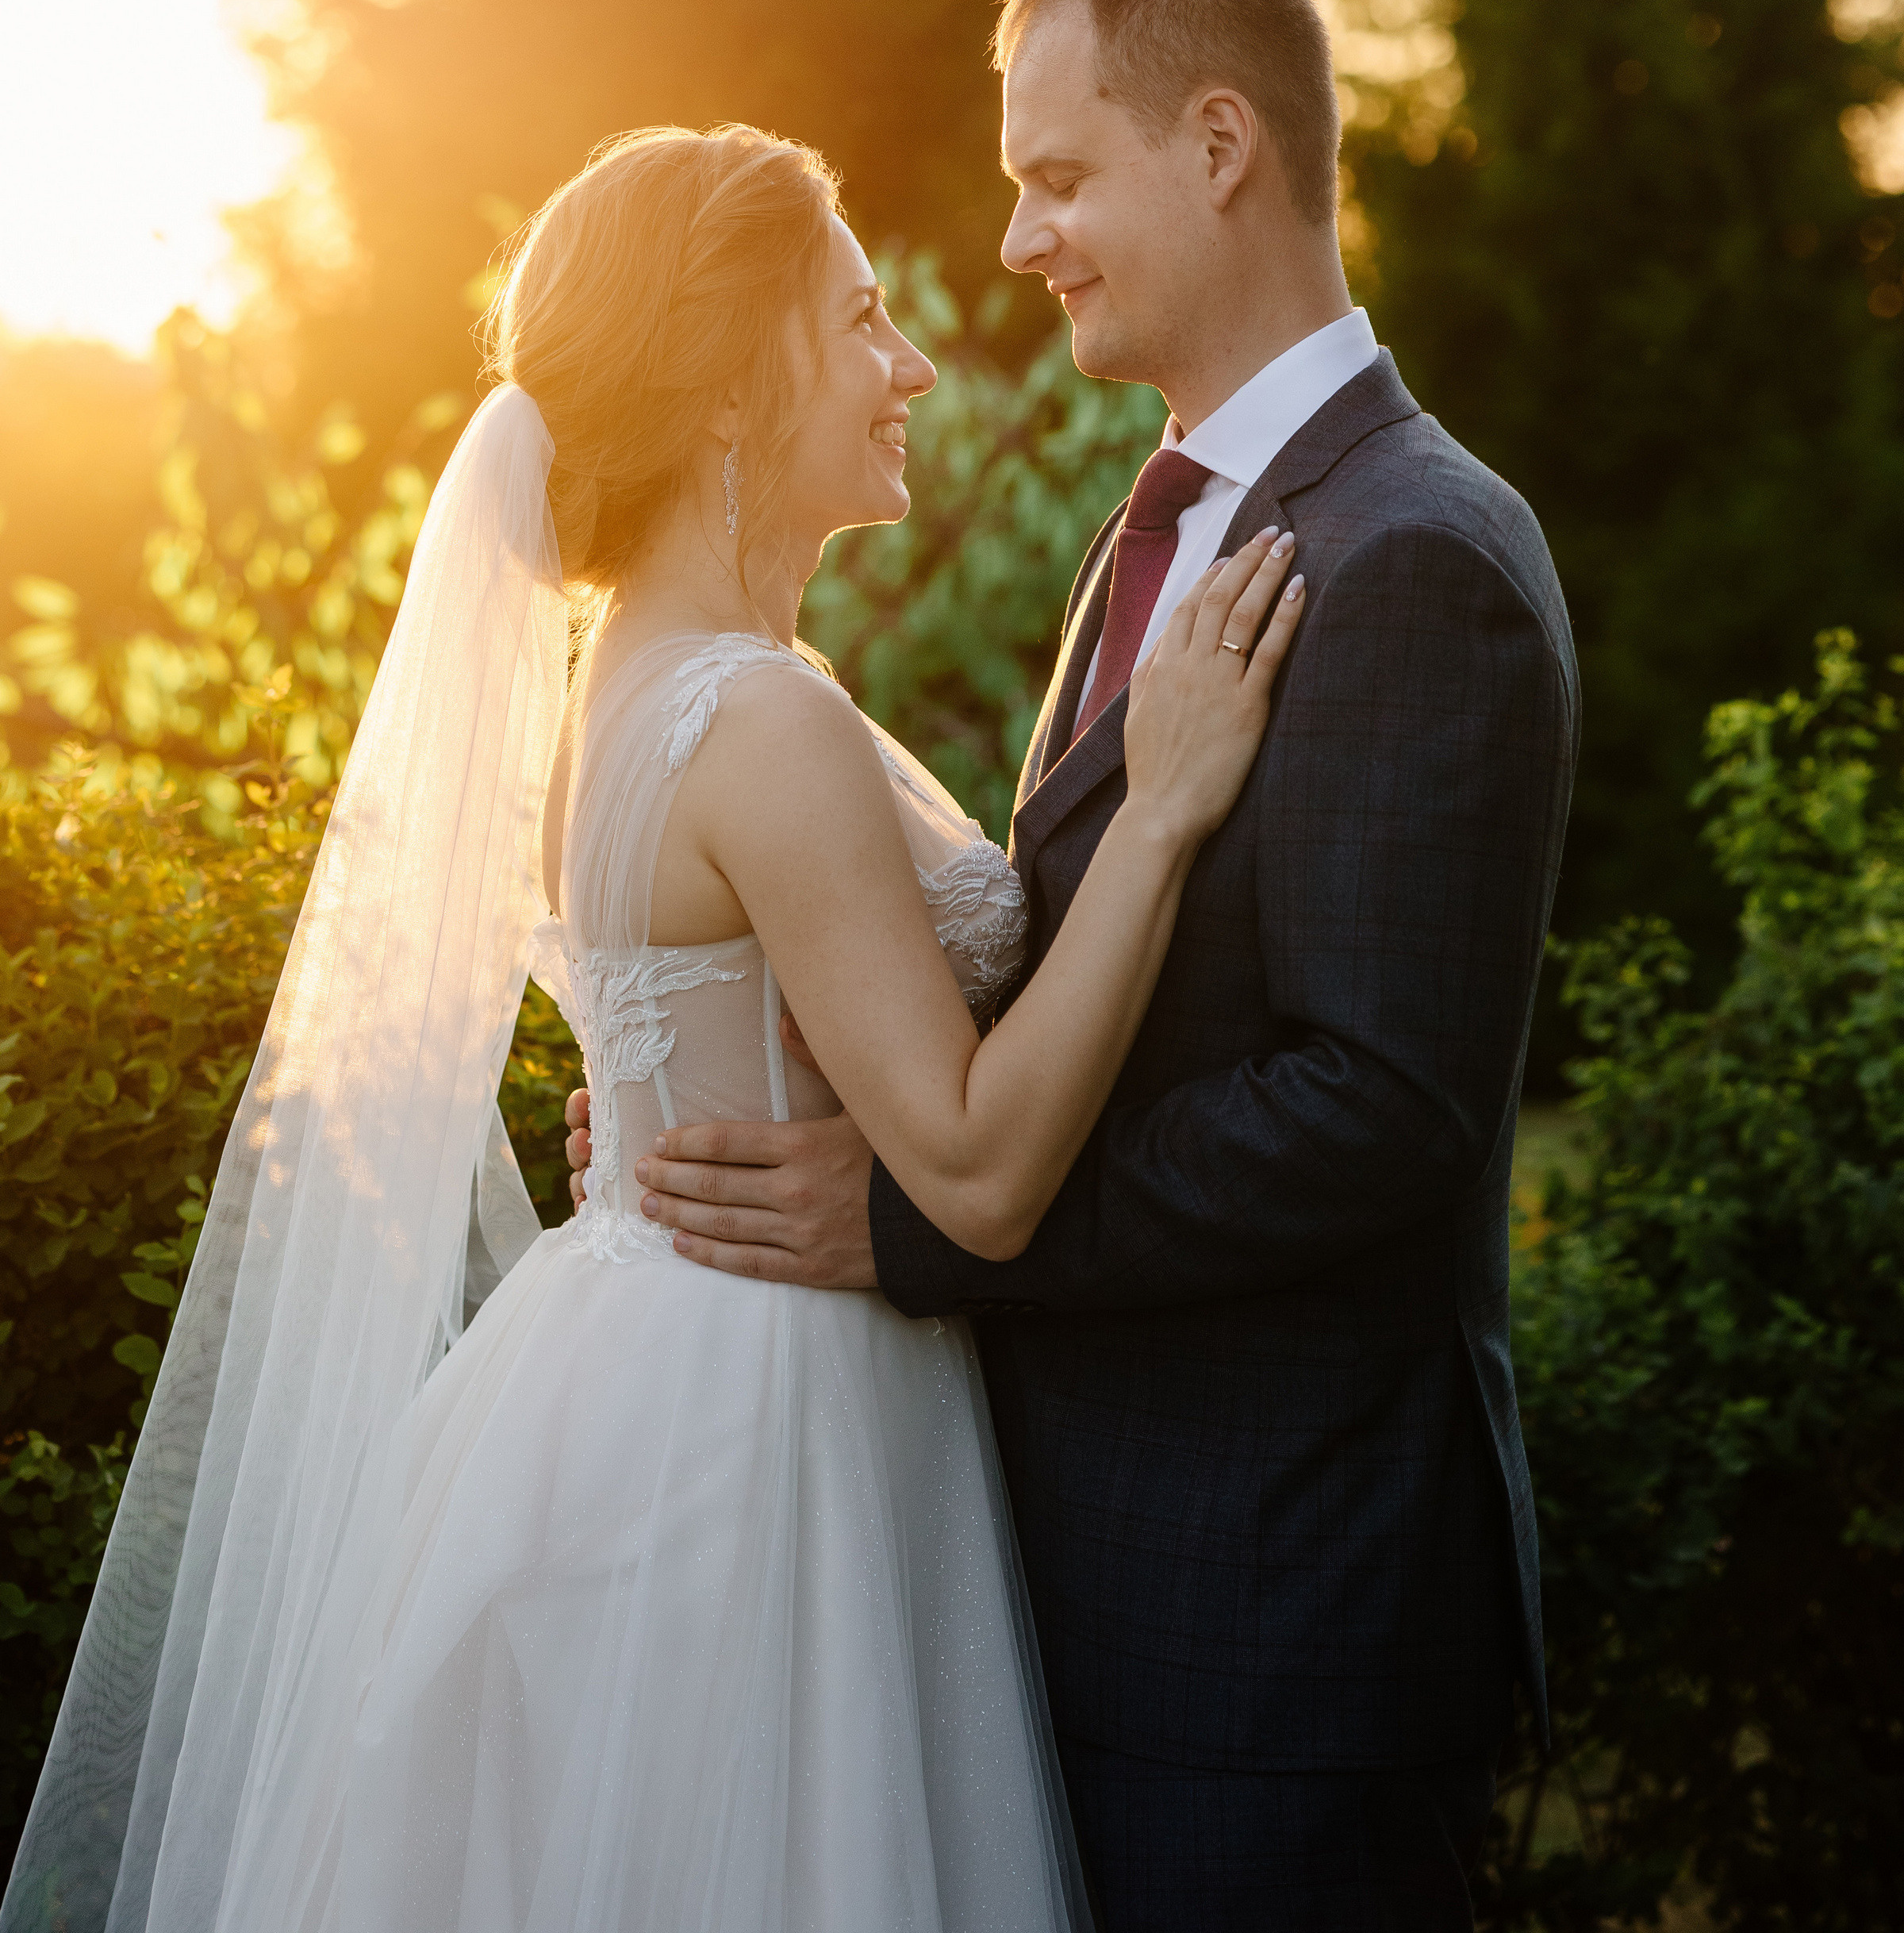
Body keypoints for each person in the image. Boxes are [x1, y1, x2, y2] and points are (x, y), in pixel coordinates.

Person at [2, 121, 1306, 1933]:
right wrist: (1163, 813)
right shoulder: (756, 720)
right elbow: (983, 1171)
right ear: (725, 389)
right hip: (758, 1426)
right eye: (861, 322)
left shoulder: (617, 694)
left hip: (619, 1361)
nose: (912, 362)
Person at [585, 0, 1580, 1932]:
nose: (1022, 241)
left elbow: (1375, 1107)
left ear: (1221, 146)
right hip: (1057, 1574)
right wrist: (731, 1071)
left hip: (1270, 1622)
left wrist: (921, 1220)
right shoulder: (1167, 522)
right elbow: (1052, 964)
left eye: (1059, 177)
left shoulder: (1417, 556)